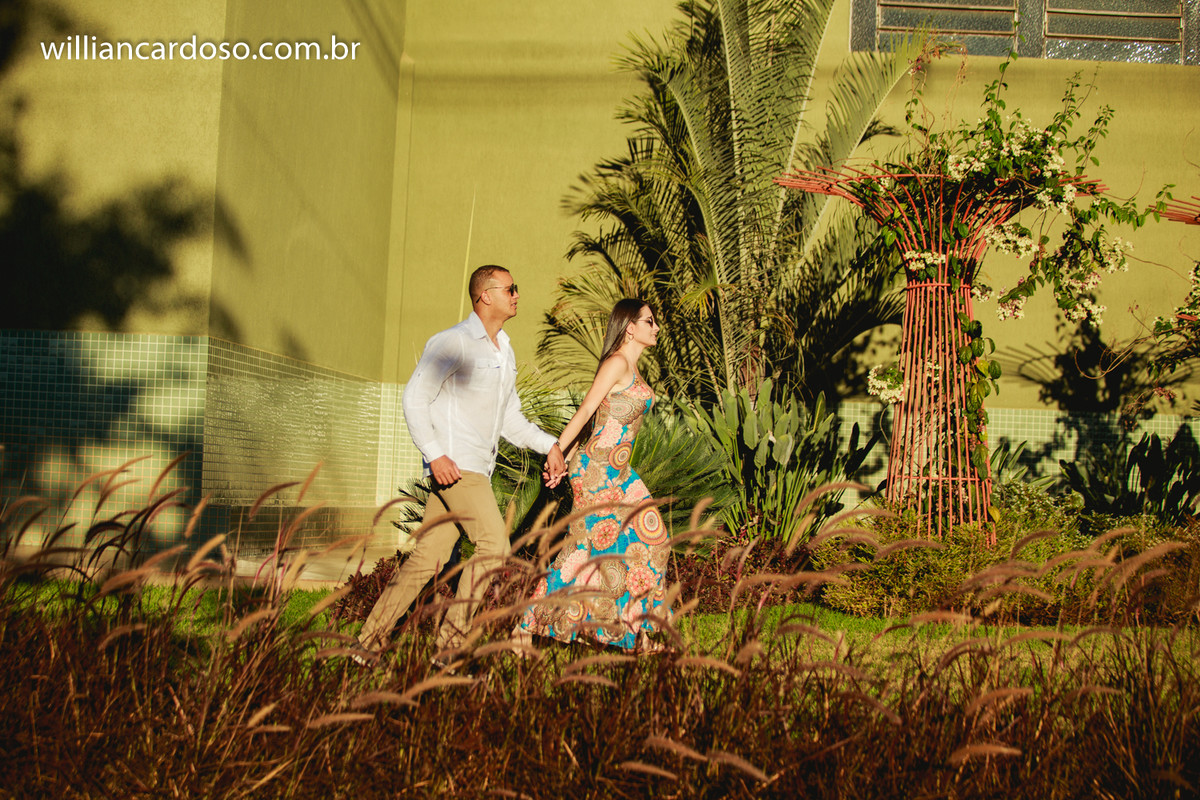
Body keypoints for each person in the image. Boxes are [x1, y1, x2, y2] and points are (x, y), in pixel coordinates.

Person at [356, 265, 567, 665]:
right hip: (458, 467)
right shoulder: (452, 342)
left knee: (427, 560)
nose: (517, 295)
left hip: (470, 470)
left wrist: (549, 444)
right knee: (494, 546)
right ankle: (449, 648)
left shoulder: (504, 349)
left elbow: (510, 418)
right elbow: (415, 398)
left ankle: (366, 645)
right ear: (485, 296)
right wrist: (434, 454)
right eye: (511, 289)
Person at [514, 298, 670, 653]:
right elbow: (587, 408)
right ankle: (525, 625)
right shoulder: (616, 363)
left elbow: (600, 418)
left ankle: (634, 630)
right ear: (630, 327)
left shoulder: (633, 367)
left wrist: (565, 457)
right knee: (582, 549)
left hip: (621, 472)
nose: (655, 327)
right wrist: (558, 454)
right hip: (597, 473)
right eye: (649, 321)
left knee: (653, 541)